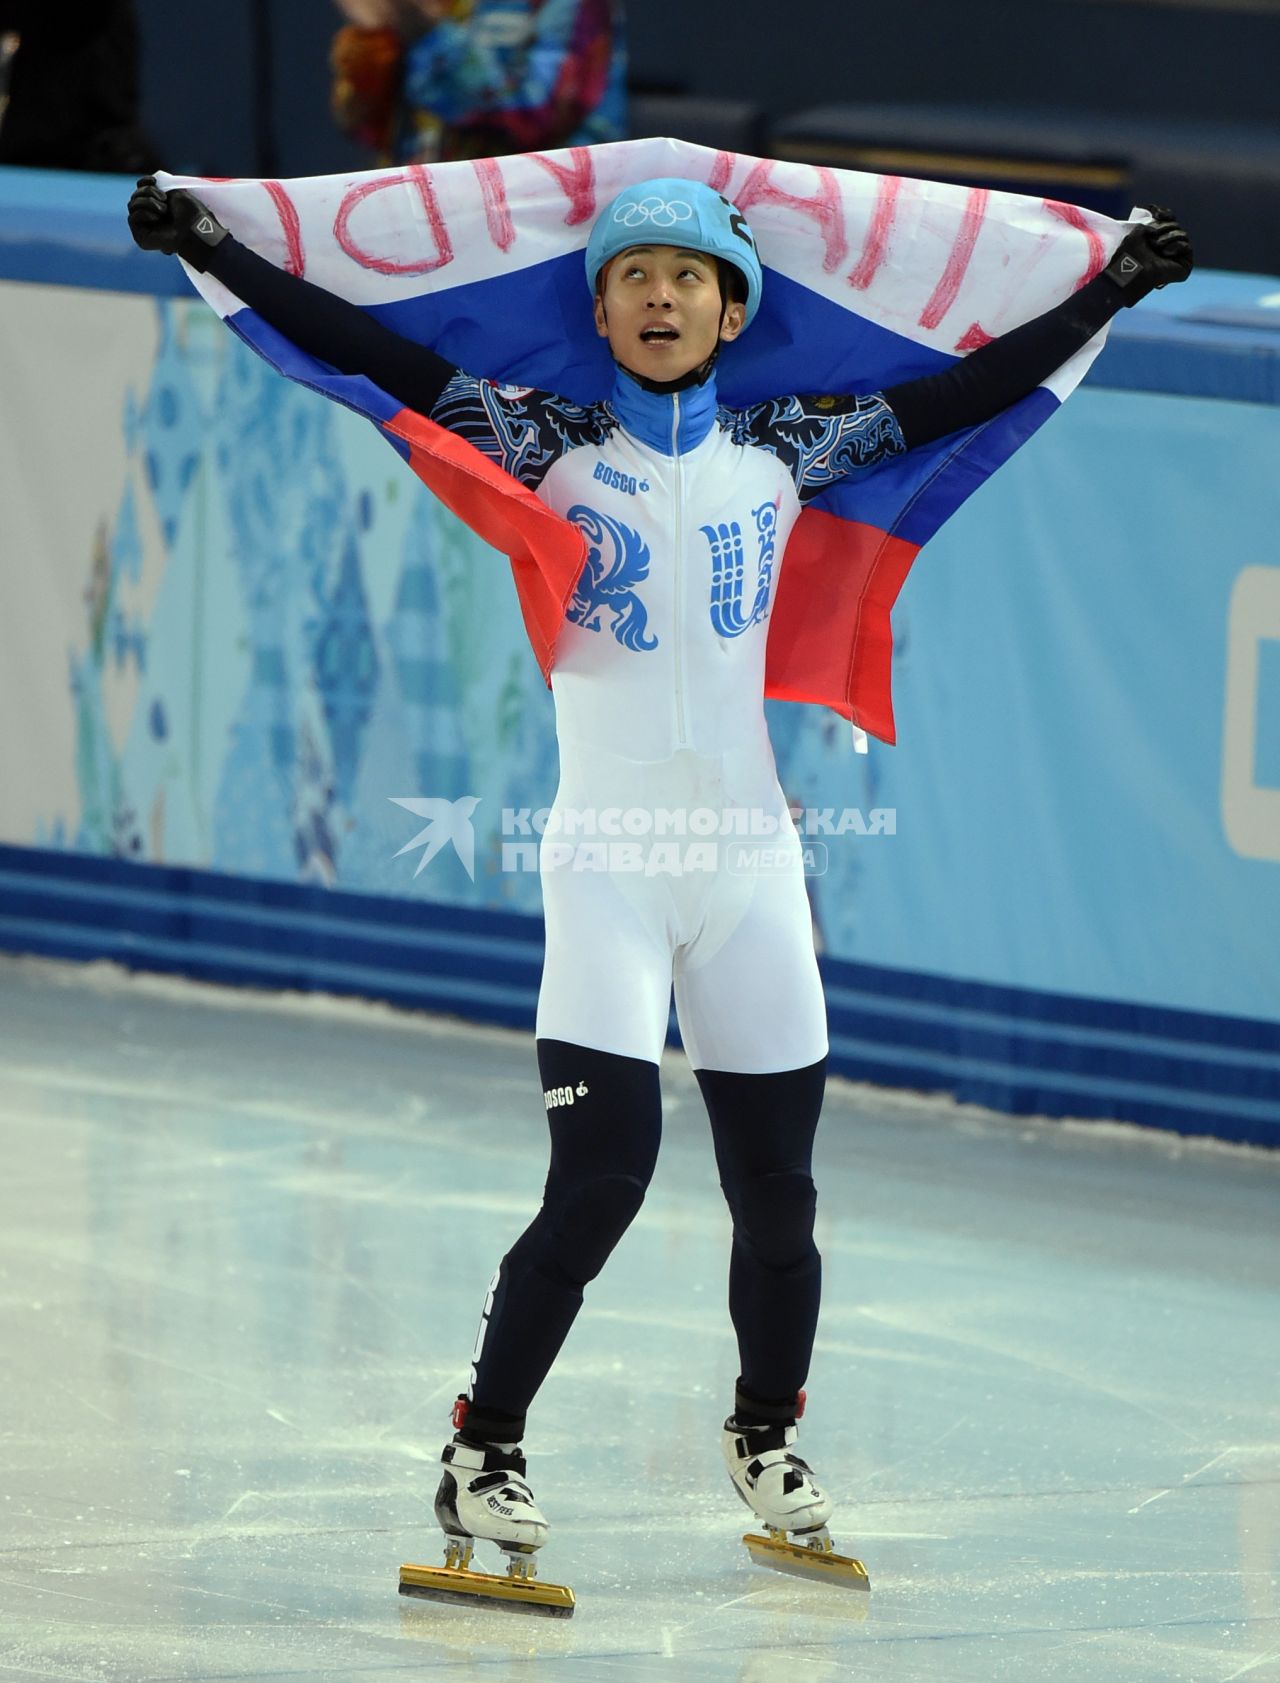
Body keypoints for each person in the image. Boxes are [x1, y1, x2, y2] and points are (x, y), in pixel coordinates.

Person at [126, 172, 1191, 1600]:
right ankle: (481, 1445)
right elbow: (371, 355)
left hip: (749, 869)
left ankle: (767, 1436)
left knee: (783, 1201)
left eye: (690, 277)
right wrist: (219, 248)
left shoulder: (787, 446)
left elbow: (968, 394)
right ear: (602, 308)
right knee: (602, 1183)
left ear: (733, 309)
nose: (662, 298)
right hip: (611, 873)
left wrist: (1109, 289)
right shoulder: (542, 437)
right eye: (634, 277)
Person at [330, 0, 625, 166]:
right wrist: (368, 64)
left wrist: (426, 29)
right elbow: (372, 131)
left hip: (530, 223)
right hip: (416, 213)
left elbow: (540, 117)